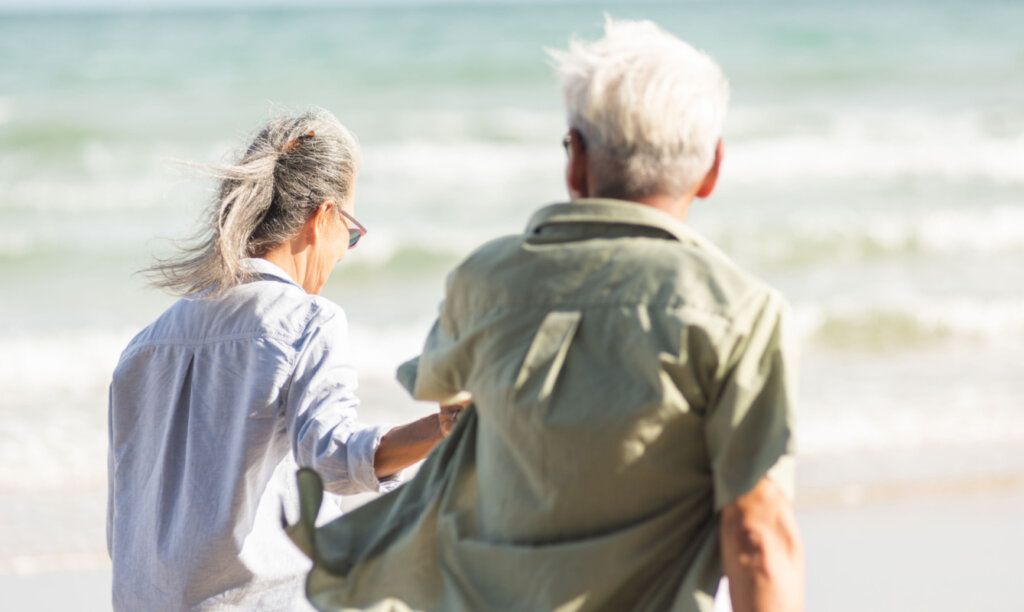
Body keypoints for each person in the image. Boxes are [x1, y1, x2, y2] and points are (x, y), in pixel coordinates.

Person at [285, 18, 803, 612]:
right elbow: (757, 532)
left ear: (575, 161)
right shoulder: (743, 314)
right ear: (712, 169)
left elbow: (438, 388)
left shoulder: (485, 280)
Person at [107, 109, 461, 611]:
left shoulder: (143, 347)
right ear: (323, 218)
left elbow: (124, 521)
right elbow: (334, 461)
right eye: (352, 233)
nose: (346, 252)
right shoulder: (308, 321)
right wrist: (443, 426)